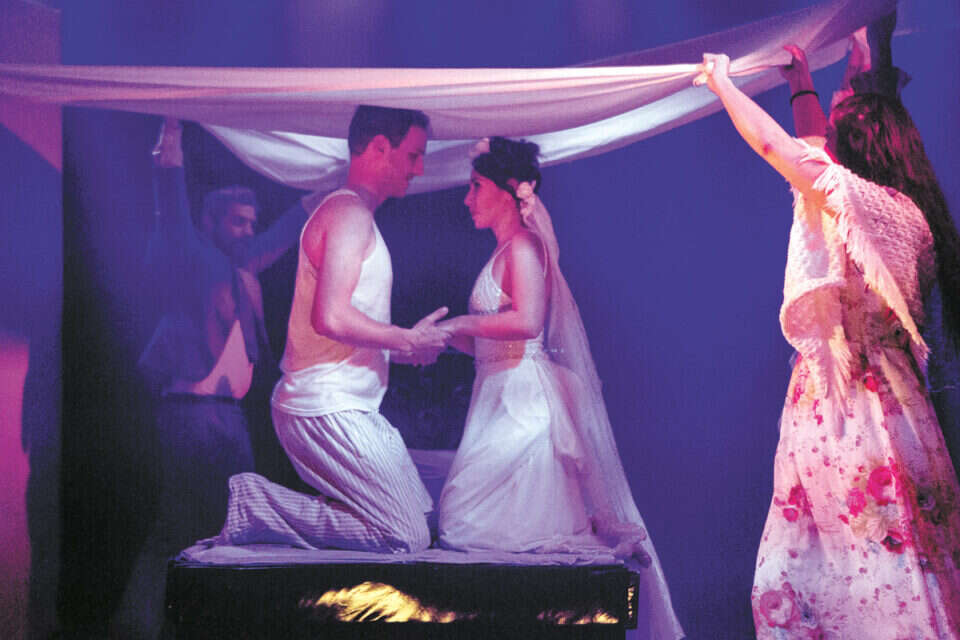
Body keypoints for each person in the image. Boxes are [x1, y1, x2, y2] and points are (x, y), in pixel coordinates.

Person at [696, 17, 960, 639]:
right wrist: (803, 84)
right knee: (881, 553)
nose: (823, 148)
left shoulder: (866, 205)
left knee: (866, 556)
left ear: (856, 152)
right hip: (886, 399)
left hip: (852, 403)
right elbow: (815, 152)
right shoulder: (902, 211)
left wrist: (723, 85)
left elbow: (784, 151)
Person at [435, 137, 683, 640]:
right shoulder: (505, 250)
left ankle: (546, 614)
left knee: (473, 519)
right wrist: (440, 339)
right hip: (496, 391)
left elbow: (527, 322)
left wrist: (460, 322)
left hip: (521, 399)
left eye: (476, 186)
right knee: (472, 521)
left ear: (509, 189)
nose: (466, 198)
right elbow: (494, 339)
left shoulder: (524, 247)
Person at [210, 105, 449, 554]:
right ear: (380, 147)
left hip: (348, 405)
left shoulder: (356, 215)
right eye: (413, 155)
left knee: (423, 519)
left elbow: (339, 329)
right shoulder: (347, 213)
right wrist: (406, 338)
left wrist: (403, 349)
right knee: (406, 535)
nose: (419, 169)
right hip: (323, 406)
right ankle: (255, 503)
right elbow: (332, 318)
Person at [114, 117, 312, 638]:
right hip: (191, 416)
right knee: (175, 526)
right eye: (237, 222)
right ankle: (137, 629)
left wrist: (334, 181)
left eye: (251, 223)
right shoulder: (190, 254)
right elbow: (170, 200)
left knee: (229, 527)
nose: (247, 230)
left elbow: (286, 230)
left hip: (229, 420)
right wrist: (172, 138)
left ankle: (201, 626)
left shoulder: (244, 268)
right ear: (210, 222)